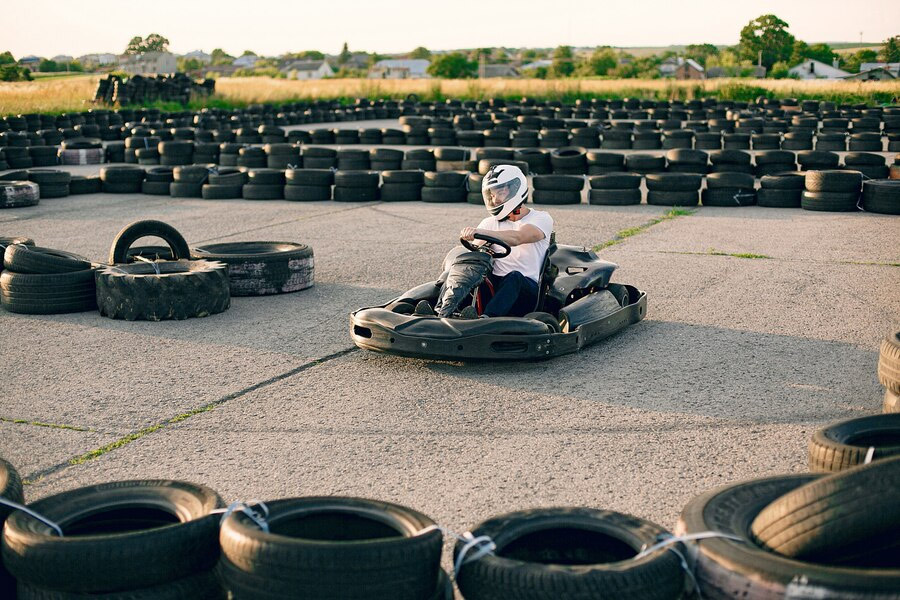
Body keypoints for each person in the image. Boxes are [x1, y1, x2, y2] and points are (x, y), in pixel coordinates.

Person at [415, 164, 553, 318]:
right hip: (495, 286)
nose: (495, 199)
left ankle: (487, 318)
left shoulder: (540, 218)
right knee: (461, 268)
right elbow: (473, 254)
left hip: (525, 292)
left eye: (499, 192)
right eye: (491, 195)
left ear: (515, 189)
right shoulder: (490, 222)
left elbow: (517, 237)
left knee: (514, 277)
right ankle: (440, 311)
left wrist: (479, 232)